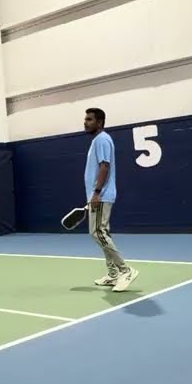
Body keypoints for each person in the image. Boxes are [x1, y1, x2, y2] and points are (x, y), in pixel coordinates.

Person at [83, 108, 138, 292]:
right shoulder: (98, 140)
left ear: (99, 122)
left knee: (97, 232)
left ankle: (126, 270)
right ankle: (113, 274)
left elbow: (104, 167)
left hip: (101, 195)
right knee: (102, 233)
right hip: (98, 195)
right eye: (85, 119)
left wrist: (97, 192)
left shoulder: (102, 139)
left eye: (89, 119)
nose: (85, 122)